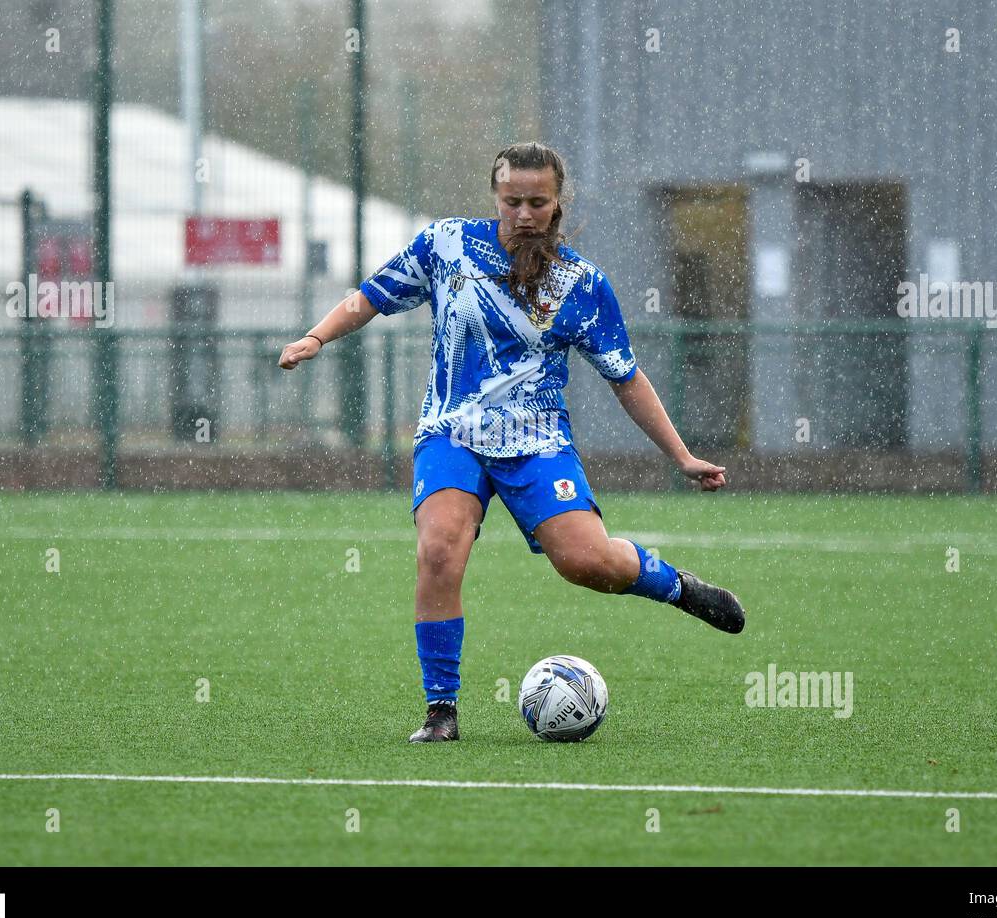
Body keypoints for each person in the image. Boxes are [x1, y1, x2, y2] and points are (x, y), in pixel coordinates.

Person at [278, 142, 744, 744]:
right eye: (512, 200)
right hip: (452, 432)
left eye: (538, 202)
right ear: (495, 197)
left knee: (586, 563)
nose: (524, 213)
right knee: (440, 550)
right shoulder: (445, 245)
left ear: (557, 204)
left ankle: (679, 587)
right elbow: (368, 296)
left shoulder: (582, 283)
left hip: (537, 440)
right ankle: (441, 710)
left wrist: (680, 455)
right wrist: (317, 338)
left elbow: (624, 377)